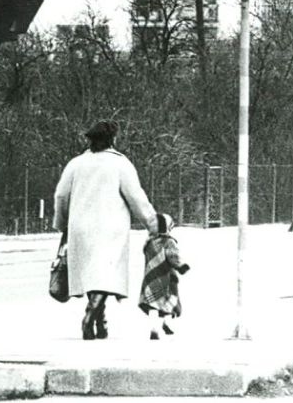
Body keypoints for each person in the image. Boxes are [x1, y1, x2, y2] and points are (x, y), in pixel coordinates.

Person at [53, 120, 158, 340]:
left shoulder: (76, 163)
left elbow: (61, 195)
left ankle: (100, 323)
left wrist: (62, 224)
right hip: (110, 227)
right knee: (105, 274)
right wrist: (152, 224)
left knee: (92, 274)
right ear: (113, 139)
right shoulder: (120, 164)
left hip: (80, 227)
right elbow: (136, 197)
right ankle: (90, 315)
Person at [139, 212, 190, 340]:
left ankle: (154, 328)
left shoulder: (148, 243)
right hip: (166, 276)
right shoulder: (168, 242)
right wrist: (181, 266)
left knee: (153, 304)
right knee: (169, 301)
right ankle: (165, 322)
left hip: (150, 277)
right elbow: (173, 257)